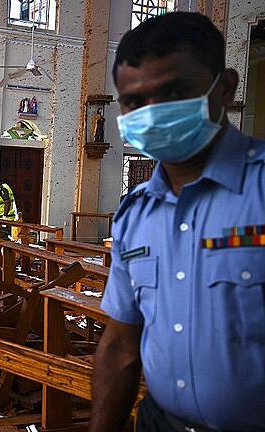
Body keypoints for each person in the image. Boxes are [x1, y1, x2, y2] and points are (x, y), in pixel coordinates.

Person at [91, 12, 265, 432]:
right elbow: (119, 347)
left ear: (224, 88)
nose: (154, 113)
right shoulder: (136, 213)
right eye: (134, 101)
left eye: (174, 92)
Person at [0, 173, 18, 240]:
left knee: (4, 238)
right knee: (6, 238)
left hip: (7, 219)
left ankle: (5, 250)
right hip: (7, 218)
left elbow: (7, 202)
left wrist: (4, 217)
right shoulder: (2, 188)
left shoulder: (3, 189)